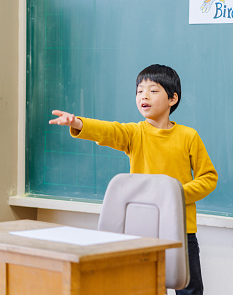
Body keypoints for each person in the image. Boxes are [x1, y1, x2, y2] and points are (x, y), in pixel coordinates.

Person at [49, 64, 218, 295]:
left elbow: (208, 178)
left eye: (153, 90)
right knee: (142, 286)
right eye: (139, 91)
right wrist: (78, 123)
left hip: (181, 229)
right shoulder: (134, 133)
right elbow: (108, 131)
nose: (144, 96)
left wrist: (177, 196)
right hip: (142, 229)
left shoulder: (189, 136)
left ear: (173, 98)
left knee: (189, 290)